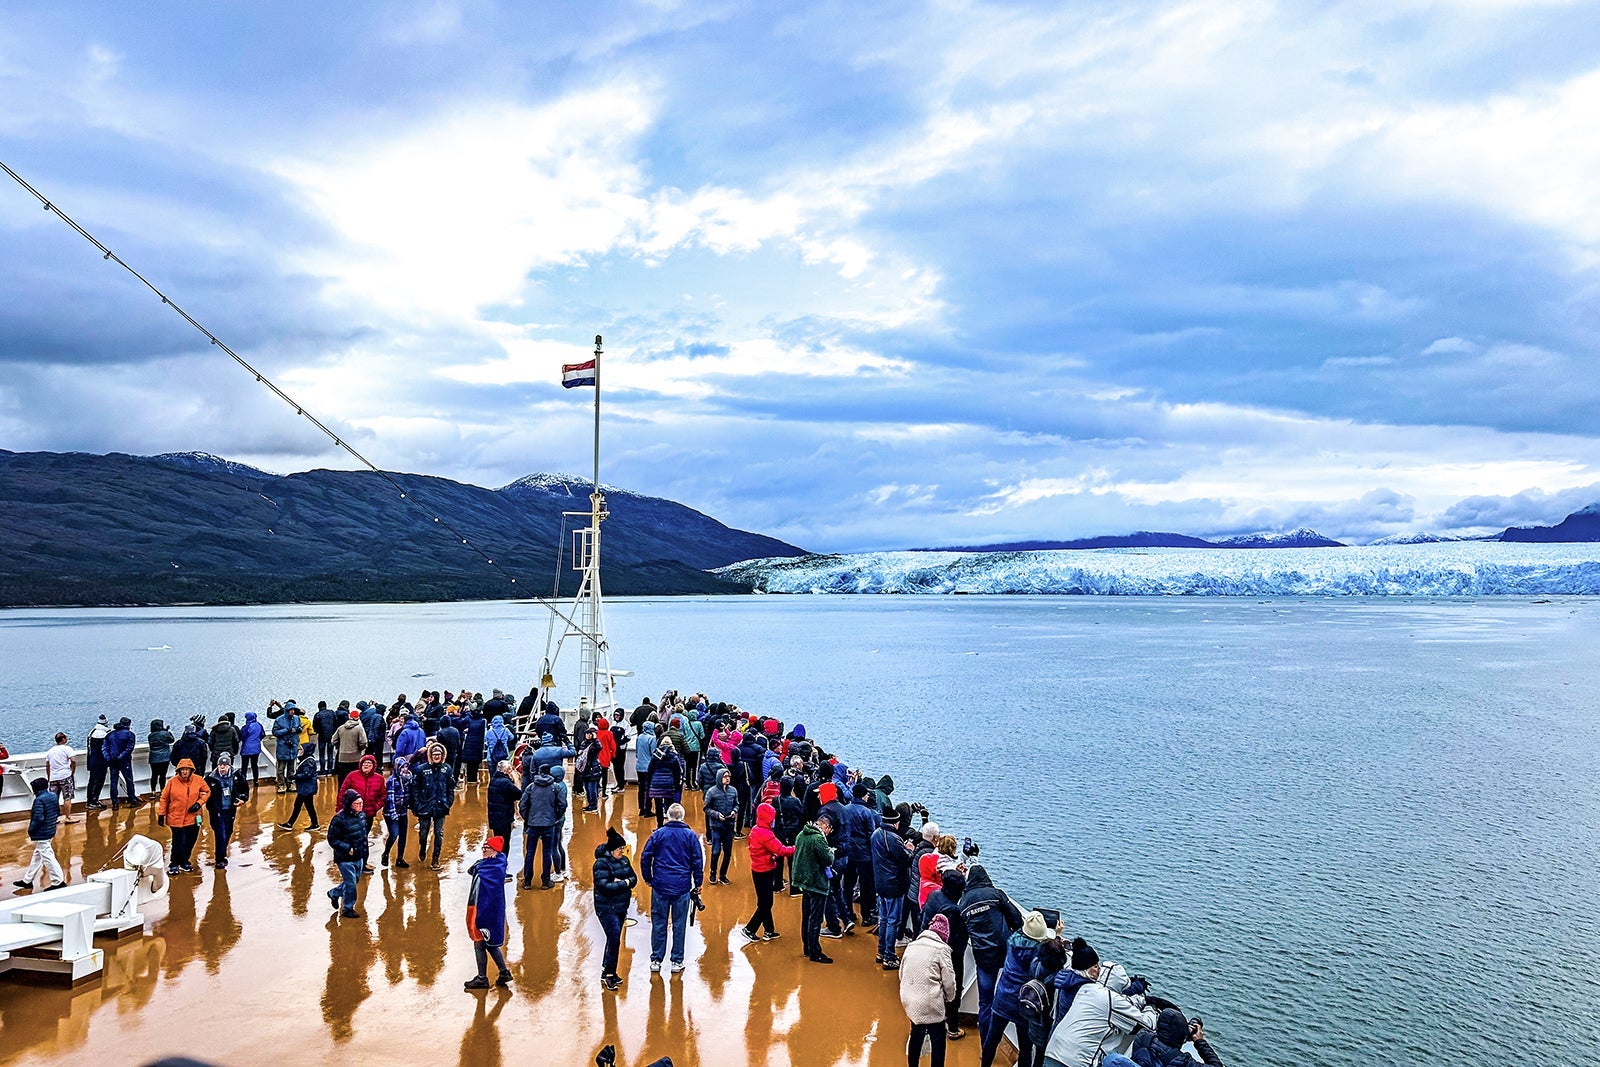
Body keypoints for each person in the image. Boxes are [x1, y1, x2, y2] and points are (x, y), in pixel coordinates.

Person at [1043, 941, 1157, 1067]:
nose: (1099, 970)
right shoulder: (1086, 988)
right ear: (1086, 969)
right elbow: (1144, 1023)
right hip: (1075, 1059)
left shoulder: (1073, 983)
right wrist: (1150, 1006)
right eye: (1096, 966)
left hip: (1055, 1046)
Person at [959, 863, 1024, 1051]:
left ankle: (986, 1046)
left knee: (985, 1002)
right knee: (1009, 995)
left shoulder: (963, 903)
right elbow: (1016, 919)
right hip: (1005, 954)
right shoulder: (996, 894)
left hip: (983, 958)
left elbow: (963, 932)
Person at [638, 802, 704, 974]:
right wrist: (698, 883)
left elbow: (645, 857)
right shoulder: (690, 836)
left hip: (660, 885)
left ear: (667, 816)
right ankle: (676, 961)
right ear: (682, 816)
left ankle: (656, 960)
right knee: (679, 924)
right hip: (681, 887)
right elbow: (697, 861)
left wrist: (648, 878)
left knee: (659, 923)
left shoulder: (658, 834)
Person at [983, 911, 1052, 1067]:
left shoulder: (1012, 941)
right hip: (1024, 1003)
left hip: (1002, 998)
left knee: (992, 1039)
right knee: (1025, 1049)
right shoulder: (1039, 952)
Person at [901, 913, 957, 1067]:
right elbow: (949, 982)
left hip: (909, 999)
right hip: (929, 1002)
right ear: (944, 935)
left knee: (916, 1032)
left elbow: (902, 974)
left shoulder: (912, 946)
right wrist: (949, 998)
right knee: (938, 1038)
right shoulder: (942, 949)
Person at [922, 870, 969, 1040]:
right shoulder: (954, 910)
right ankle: (953, 1028)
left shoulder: (934, 895)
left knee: (931, 985)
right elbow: (955, 940)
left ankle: (926, 1023)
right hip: (949, 955)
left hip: (928, 947)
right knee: (952, 989)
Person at [739, 801, 794, 943]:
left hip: (758, 869)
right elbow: (782, 850)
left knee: (764, 901)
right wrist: (797, 847)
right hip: (765, 871)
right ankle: (750, 928)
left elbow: (757, 848)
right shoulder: (766, 834)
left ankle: (769, 930)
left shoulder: (756, 830)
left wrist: (770, 856)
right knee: (766, 903)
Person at [464, 836, 513, 990]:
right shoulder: (495, 865)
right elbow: (471, 870)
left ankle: (482, 978)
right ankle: (504, 972)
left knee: (479, 943)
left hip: (483, 911)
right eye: (483, 847)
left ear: (495, 850)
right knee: (490, 945)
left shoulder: (488, 868)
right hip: (489, 910)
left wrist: (480, 918)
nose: (484, 850)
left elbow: (472, 871)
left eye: (487, 847)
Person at [871, 804, 916, 969]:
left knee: (883, 919)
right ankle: (889, 956)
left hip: (880, 883)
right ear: (896, 823)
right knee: (893, 921)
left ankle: (881, 951)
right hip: (894, 885)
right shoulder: (893, 838)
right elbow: (905, 858)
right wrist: (909, 849)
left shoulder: (876, 834)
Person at [593, 826, 637, 991]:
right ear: (612, 850)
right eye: (620, 849)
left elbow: (634, 878)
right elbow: (604, 887)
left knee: (614, 939)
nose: (622, 851)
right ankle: (610, 974)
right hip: (606, 907)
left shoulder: (624, 860)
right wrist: (624, 883)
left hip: (620, 906)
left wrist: (621, 882)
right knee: (614, 939)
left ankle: (607, 971)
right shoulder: (601, 864)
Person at [791, 810, 836, 964]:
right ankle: (815, 952)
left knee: (806, 917)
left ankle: (807, 948)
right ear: (826, 827)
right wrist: (831, 852)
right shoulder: (818, 839)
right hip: (816, 883)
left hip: (804, 882)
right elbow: (828, 860)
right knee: (815, 919)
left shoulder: (802, 835)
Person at [1104, 1009, 1223, 1067]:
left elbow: (1161, 1040)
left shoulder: (1142, 1037)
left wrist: (1184, 1035)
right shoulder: (1181, 1061)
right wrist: (1200, 1042)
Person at [157, 758, 210, 875]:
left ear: (191, 770)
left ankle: (184, 861)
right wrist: (161, 814)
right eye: (183, 770)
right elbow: (164, 798)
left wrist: (199, 803)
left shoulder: (199, 780)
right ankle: (174, 864)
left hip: (193, 817)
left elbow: (206, 792)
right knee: (178, 842)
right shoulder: (172, 782)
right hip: (176, 817)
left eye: (187, 770)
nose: (185, 772)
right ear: (178, 771)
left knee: (191, 841)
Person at [13, 778, 65, 892]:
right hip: (50, 830)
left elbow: (38, 818)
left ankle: (58, 881)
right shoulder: (53, 796)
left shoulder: (39, 800)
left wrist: (31, 830)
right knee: (37, 856)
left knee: (48, 857)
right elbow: (57, 811)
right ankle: (27, 880)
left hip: (42, 834)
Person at [410, 741, 455, 870]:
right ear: (430, 755)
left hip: (441, 806)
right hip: (425, 806)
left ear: (442, 755)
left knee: (439, 833)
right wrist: (417, 805)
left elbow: (451, 787)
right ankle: (422, 848)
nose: (436, 757)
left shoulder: (447, 769)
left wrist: (448, 802)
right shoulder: (421, 769)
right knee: (423, 832)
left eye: (439, 754)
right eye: (434, 754)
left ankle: (435, 858)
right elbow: (415, 788)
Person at [518, 762, 561, 890]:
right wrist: (555, 817)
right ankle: (546, 881)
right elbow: (562, 804)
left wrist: (528, 818)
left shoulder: (531, 787)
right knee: (547, 852)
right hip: (549, 824)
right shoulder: (555, 787)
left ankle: (527, 881)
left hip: (533, 823)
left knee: (530, 852)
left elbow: (522, 805)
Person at [326, 790, 368, 919]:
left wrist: (364, 851)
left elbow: (363, 835)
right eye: (357, 803)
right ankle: (348, 908)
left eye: (361, 803)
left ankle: (334, 893)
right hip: (344, 857)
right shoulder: (339, 819)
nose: (360, 806)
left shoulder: (361, 816)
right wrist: (347, 848)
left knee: (354, 881)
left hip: (359, 855)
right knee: (350, 884)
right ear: (350, 804)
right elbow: (332, 839)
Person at [203, 753, 248, 869]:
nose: (222, 767)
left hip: (230, 809)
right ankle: (219, 859)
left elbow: (245, 789)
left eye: (225, 765)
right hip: (216, 810)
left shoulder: (237, 775)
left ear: (229, 765)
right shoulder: (210, 778)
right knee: (220, 833)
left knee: (228, 831)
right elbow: (202, 792)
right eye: (220, 765)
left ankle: (222, 853)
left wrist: (243, 799)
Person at [703, 767, 738, 884]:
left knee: (728, 852)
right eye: (725, 777)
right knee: (715, 851)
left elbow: (737, 805)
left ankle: (723, 875)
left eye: (729, 777)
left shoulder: (733, 791)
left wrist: (734, 811)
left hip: (729, 826)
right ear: (719, 778)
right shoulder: (711, 792)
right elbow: (706, 808)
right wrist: (717, 815)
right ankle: (713, 872)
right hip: (716, 826)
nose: (727, 779)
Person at [278, 741, 321, 831]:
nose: (299, 751)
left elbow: (307, 774)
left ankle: (291, 824)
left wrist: (294, 777)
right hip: (305, 788)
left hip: (306, 788)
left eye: (301, 749)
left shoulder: (308, 761)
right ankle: (292, 823)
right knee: (305, 806)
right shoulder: (308, 760)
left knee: (302, 806)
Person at [382, 754, 413, 868]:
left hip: (403, 811)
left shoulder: (408, 778)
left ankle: (400, 858)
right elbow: (390, 798)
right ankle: (386, 853)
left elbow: (410, 795)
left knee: (403, 835)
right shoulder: (392, 780)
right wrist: (393, 813)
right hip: (391, 813)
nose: (405, 769)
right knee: (394, 834)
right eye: (402, 767)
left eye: (406, 767)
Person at [104, 716, 141, 808]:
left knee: (113, 781)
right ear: (128, 724)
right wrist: (120, 757)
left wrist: (109, 758)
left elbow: (105, 748)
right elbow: (129, 749)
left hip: (112, 761)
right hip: (125, 761)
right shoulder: (130, 734)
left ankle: (115, 803)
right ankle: (132, 800)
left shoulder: (110, 735)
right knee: (129, 780)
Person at [44, 732, 77, 824]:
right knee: (67, 797)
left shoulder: (50, 751)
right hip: (65, 776)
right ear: (63, 739)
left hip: (53, 777)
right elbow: (73, 761)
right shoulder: (67, 749)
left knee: (53, 799)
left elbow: (47, 765)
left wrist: (49, 776)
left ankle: (53, 818)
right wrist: (72, 772)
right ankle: (67, 817)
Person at [486, 759, 521, 846]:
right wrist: (516, 780)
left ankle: (498, 859)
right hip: (504, 818)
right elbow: (519, 795)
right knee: (505, 844)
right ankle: (503, 859)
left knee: (497, 843)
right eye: (510, 770)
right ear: (506, 771)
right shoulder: (506, 783)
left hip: (494, 818)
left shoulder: (493, 780)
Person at [271, 701, 302, 793]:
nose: (292, 711)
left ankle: (291, 783)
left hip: (293, 747)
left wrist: (297, 729)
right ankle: (281, 784)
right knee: (281, 768)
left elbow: (300, 728)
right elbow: (275, 732)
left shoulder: (297, 719)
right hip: (283, 747)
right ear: (287, 710)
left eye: (293, 710)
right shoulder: (279, 720)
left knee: (292, 768)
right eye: (291, 710)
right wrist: (286, 730)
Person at [332, 709, 368, 783]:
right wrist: (360, 749)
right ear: (358, 718)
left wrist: (340, 746)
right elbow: (363, 742)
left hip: (342, 757)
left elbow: (333, 740)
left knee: (342, 780)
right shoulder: (359, 728)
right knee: (355, 779)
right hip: (355, 758)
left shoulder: (341, 728)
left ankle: (342, 793)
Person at [84, 715, 110, 810]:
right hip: (100, 762)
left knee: (91, 781)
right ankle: (94, 800)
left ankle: (90, 800)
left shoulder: (92, 732)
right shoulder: (104, 734)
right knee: (99, 781)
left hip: (91, 760)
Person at [238, 711, 265, 785]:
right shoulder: (259, 725)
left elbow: (242, 736)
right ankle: (256, 781)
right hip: (256, 748)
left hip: (246, 749)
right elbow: (263, 734)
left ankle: (243, 782)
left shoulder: (246, 727)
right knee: (254, 765)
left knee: (244, 766)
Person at [313, 701, 340, 775]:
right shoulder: (331, 712)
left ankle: (322, 769)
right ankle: (330, 769)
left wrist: (318, 731)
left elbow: (315, 727)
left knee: (322, 754)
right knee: (330, 753)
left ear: (319, 707)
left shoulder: (317, 715)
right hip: (331, 736)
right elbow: (336, 722)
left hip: (321, 736)